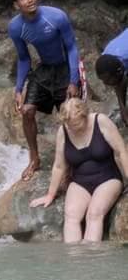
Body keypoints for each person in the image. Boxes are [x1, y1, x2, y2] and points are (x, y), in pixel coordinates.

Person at [8, 0, 80, 181]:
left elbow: (72, 47)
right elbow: (24, 59)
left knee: (70, 114)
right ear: (17, 5)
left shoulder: (56, 16)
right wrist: (18, 88)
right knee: (27, 110)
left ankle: (75, 162)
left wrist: (74, 80)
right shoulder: (16, 27)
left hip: (65, 67)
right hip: (45, 69)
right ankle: (34, 158)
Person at [29, 98, 127, 242]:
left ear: (85, 115)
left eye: (76, 124)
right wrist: (50, 195)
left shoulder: (101, 121)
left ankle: (90, 258)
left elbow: (121, 151)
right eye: (69, 124)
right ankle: (74, 261)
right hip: (80, 182)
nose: (73, 128)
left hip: (108, 178)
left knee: (93, 214)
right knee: (71, 216)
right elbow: (58, 166)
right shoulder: (63, 131)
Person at [95, 28, 128, 127]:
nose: (105, 83)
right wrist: (123, 112)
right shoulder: (106, 59)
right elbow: (119, 85)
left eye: (108, 80)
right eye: (103, 80)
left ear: (119, 72)